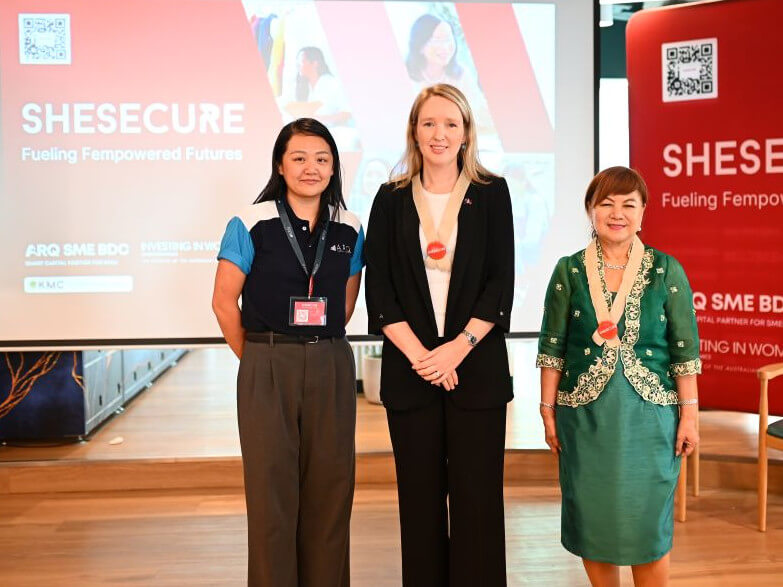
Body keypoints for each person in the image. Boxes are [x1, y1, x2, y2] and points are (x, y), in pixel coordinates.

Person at [364, 84, 514, 586]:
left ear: (467, 132)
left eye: (451, 123)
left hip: (477, 371)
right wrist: (424, 358)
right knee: (420, 505)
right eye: (429, 123)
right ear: (414, 131)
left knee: (478, 505)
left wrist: (455, 350)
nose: (439, 134)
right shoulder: (389, 200)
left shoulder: (493, 194)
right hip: (412, 375)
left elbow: (500, 282)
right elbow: (379, 290)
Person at [211, 118, 364, 587]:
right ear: (280, 164)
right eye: (298, 158)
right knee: (271, 494)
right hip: (267, 361)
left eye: (321, 158)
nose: (310, 168)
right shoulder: (250, 222)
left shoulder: (351, 226)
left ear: (334, 166)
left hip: (331, 362)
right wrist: (260, 360)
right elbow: (223, 303)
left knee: (331, 493)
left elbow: (345, 302)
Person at [536, 166, 701, 587]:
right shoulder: (568, 271)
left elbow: (684, 351)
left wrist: (690, 415)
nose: (617, 213)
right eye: (606, 203)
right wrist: (547, 410)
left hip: (652, 421)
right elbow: (552, 347)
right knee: (594, 525)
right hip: (584, 420)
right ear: (590, 211)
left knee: (647, 528)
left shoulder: (667, 270)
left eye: (628, 204)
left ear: (643, 212)